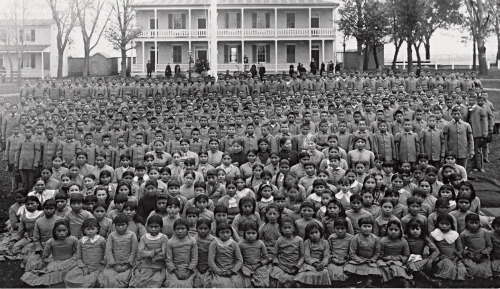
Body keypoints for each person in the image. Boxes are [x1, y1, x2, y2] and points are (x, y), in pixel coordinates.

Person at [21, 219, 78, 287]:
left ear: (68, 230)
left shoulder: (74, 239)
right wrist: (53, 262)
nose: (62, 233)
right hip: (56, 263)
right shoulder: (50, 242)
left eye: (64, 230)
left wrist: (73, 259)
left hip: (71, 261)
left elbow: (78, 252)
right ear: (55, 231)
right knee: (54, 276)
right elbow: (44, 257)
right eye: (59, 231)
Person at [98, 213, 138, 287]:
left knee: (122, 279)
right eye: (118, 225)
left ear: (127, 225)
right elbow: (108, 251)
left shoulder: (132, 235)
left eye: (123, 225)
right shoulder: (112, 235)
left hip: (128, 264)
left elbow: (134, 251)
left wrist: (127, 265)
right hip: (113, 264)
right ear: (114, 226)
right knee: (107, 278)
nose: (120, 227)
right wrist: (114, 265)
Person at [64, 219, 106, 288]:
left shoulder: (102, 240)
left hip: (98, 267)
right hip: (85, 267)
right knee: (69, 277)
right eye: (88, 229)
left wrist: (103, 265)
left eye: (93, 229)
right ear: (84, 230)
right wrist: (82, 266)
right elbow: (79, 256)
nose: (90, 231)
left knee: (94, 281)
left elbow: (106, 254)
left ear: (97, 229)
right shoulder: (81, 241)